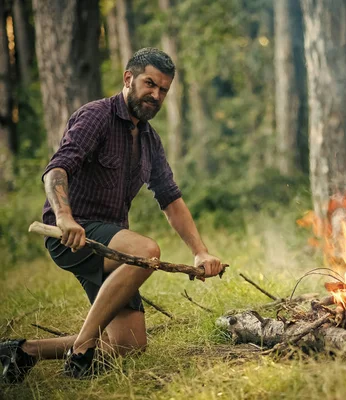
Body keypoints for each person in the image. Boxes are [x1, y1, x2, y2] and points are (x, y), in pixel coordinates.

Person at [0, 48, 224, 382]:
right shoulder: (96, 116)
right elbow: (56, 169)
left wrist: (200, 250)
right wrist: (64, 217)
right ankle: (82, 350)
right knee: (146, 251)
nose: (156, 95)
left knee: (129, 343)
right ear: (128, 78)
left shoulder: (149, 139)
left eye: (163, 89)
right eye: (150, 84)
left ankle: (21, 351)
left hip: (112, 247)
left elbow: (171, 199)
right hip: (72, 235)